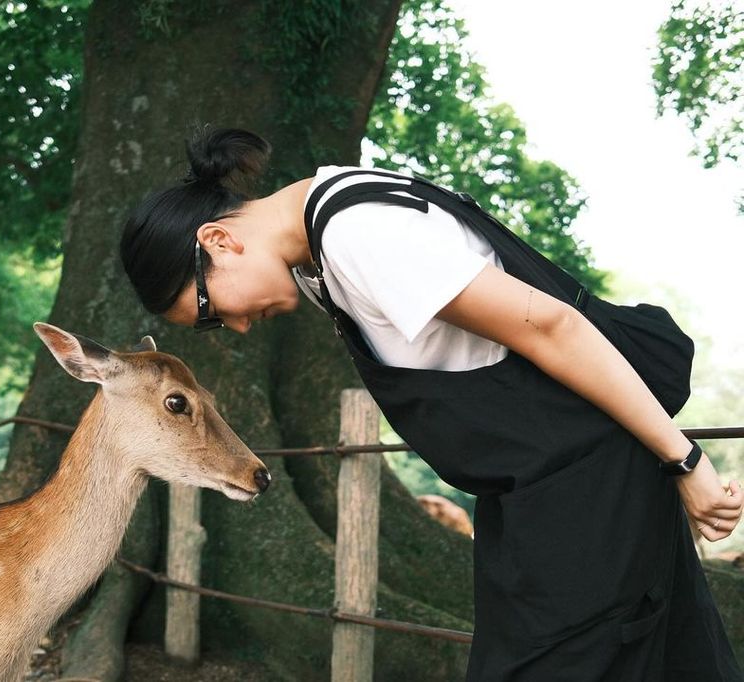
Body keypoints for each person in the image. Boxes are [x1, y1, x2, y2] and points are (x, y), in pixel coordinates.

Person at [120, 126, 744, 680]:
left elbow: (550, 327)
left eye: (207, 311)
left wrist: (684, 461)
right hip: (539, 488)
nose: (234, 326)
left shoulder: (358, 235)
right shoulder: (322, 242)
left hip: (585, 486)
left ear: (220, 240)